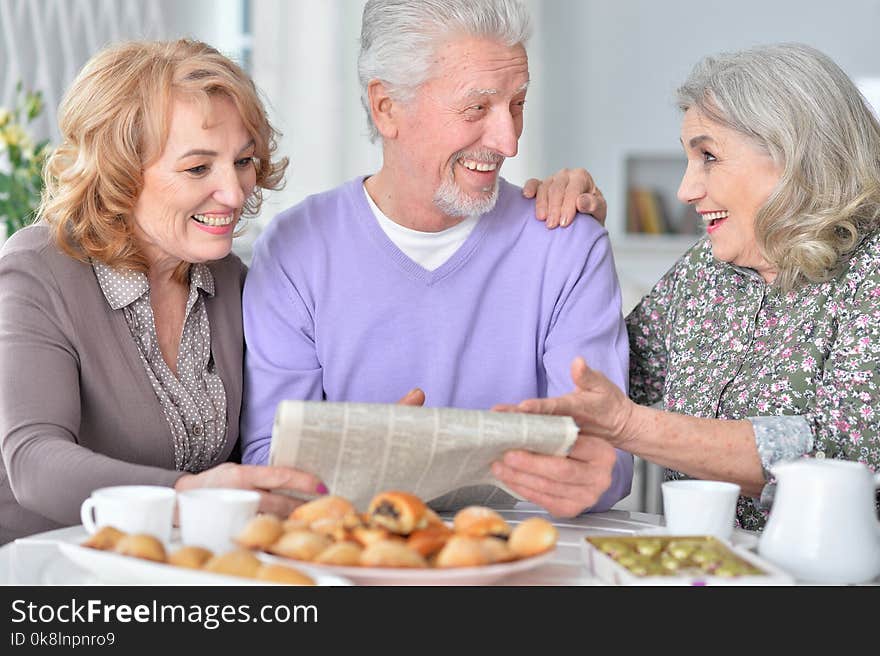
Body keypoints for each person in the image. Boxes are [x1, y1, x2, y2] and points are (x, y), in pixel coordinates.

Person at [240, 0, 633, 517]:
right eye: (477, 108)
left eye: (517, 104)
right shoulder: (293, 250)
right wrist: (375, 457)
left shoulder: (567, 243)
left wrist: (592, 469)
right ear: (386, 107)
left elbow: (609, 461)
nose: (509, 141)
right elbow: (269, 461)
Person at [500, 43, 880, 530]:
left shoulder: (869, 271)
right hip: (708, 569)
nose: (685, 190)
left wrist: (629, 426)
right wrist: (574, 246)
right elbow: (602, 376)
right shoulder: (708, 269)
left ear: (795, 156)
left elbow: (846, 455)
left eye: (709, 157)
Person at [0, 39, 331, 544]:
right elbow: (33, 463)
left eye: (243, 161)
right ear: (119, 172)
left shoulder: (229, 278)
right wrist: (190, 494)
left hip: (179, 571)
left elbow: (262, 446)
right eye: (199, 167)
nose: (236, 192)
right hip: (49, 573)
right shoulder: (38, 272)